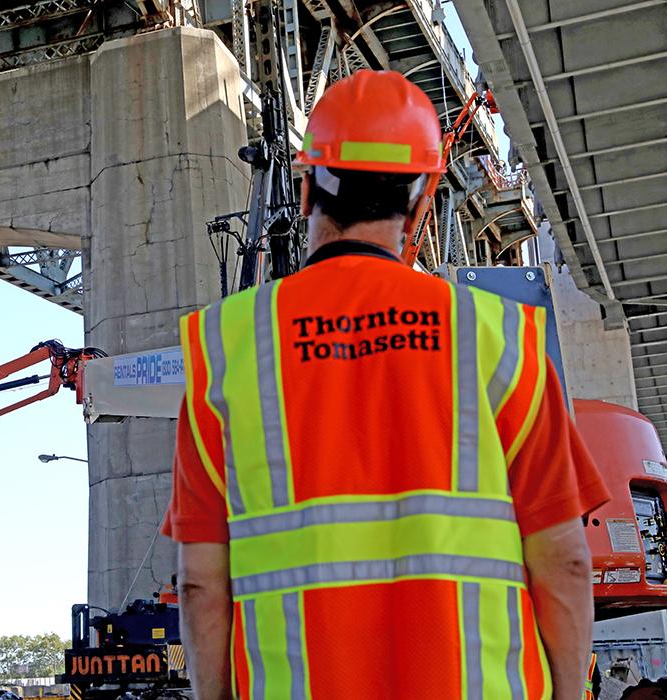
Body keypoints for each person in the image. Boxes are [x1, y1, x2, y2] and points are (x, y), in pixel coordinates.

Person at [161, 70, 610, 699]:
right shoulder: (500, 336)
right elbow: (564, 560)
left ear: (305, 182)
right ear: (424, 197)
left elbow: (201, 581)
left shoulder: (225, 347)